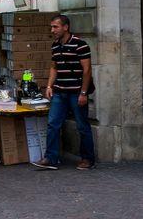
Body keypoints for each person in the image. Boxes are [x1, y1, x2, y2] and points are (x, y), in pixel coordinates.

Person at [33, 14, 96, 170]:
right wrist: (49, 86)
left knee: (82, 126)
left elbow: (87, 70)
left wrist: (83, 93)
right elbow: (54, 66)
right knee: (53, 124)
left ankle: (88, 159)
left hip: (76, 92)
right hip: (60, 91)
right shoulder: (55, 45)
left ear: (65, 27)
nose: (52, 30)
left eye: (55, 26)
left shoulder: (80, 44)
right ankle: (51, 158)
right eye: (52, 27)